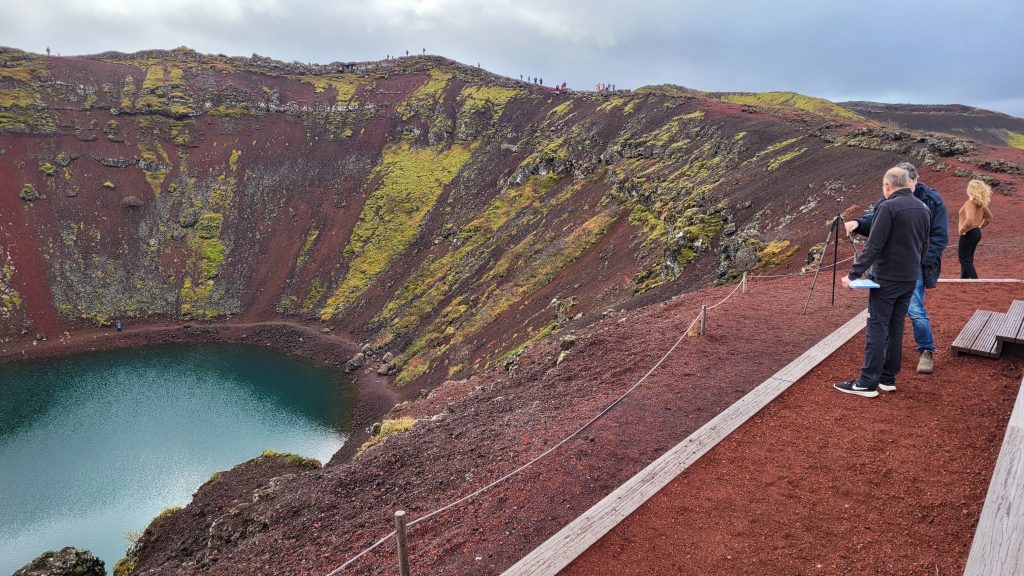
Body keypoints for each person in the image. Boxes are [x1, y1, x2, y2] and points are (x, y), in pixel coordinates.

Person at [844, 162, 947, 374]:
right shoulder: (890, 201)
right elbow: (876, 220)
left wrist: (916, 260)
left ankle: (925, 351)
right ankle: (889, 368)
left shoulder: (931, 201)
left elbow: (938, 238)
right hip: (897, 268)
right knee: (895, 320)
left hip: (911, 268)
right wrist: (859, 223)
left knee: (912, 312)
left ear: (914, 180)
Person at [835, 167, 930, 398]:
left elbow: (874, 246)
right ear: (909, 184)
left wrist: (853, 275)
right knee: (896, 326)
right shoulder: (923, 208)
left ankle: (867, 382)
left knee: (877, 326)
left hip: (886, 279)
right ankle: (888, 379)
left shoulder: (888, 207)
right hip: (909, 277)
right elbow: (924, 246)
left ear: (887, 186)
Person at [957, 179, 993, 278]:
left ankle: (975, 281)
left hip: (968, 232)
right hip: (976, 232)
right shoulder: (981, 204)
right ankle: (964, 280)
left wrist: (962, 230)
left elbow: (969, 220)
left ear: (971, 190)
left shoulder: (970, 203)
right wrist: (980, 227)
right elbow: (989, 217)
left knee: (963, 258)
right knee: (968, 258)